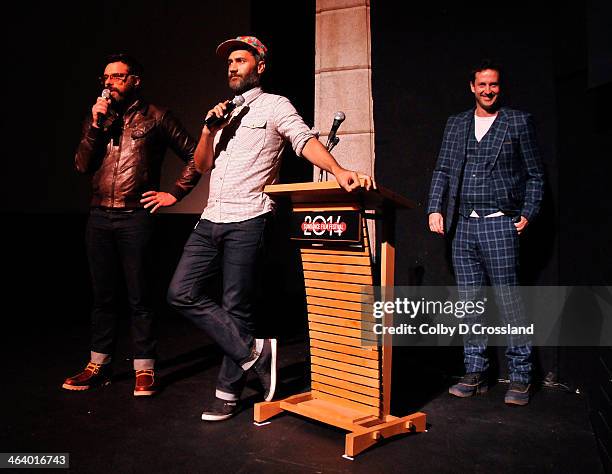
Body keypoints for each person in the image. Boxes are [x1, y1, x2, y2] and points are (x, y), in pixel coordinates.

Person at [167, 36, 373, 421]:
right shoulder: (222, 113)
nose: (232, 67)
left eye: (240, 60)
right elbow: (202, 165)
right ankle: (254, 351)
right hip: (211, 216)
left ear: (259, 66)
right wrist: (209, 130)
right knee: (180, 292)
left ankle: (227, 392)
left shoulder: (276, 106)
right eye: (229, 62)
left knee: (236, 306)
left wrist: (339, 170)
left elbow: (303, 141)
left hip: (250, 216)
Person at [63, 53, 201, 397]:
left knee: (140, 295)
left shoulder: (156, 117)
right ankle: (98, 365)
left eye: (118, 77)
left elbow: (196, 155)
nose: (109, 83)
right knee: (102, 295)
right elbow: (81, 165)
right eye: (105, 78)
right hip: (99, 216)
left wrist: (175, 193)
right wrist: (96, 126)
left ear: (135, 80)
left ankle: (145, 367)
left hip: (135, 217)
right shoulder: (98, 118)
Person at [427, 60, 544, 406]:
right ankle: (475, 372)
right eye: (482, 85)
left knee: (509, 301)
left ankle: (521, 376)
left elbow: (536, 174)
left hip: (499, 223)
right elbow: (443, 170)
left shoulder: (517, 122)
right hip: (463, 224)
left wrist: (528, 213)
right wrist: (435, 207)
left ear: (499, 88)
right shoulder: (457, 124)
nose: (488, 91)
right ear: (472, 87)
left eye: (493, 85)